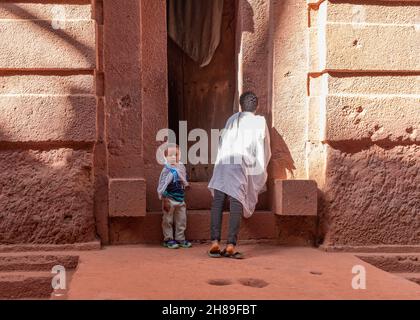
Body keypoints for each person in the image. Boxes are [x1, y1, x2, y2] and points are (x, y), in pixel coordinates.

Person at [208, 91, 271, 258]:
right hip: (240, 163)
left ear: (241, 106)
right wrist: (260, 170)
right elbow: (263, 149)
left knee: (218, 200)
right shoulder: (259, 121)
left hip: (223, 161)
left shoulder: (232, 119)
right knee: (236, 200)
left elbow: (222, 142)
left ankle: (214, 242)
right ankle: (230, 245)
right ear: (256, 107)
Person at [157, 144, 192, 249]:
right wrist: (165, 199)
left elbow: (183, 181)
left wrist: (186, 185)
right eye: (170, 155)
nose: (173, 157)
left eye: (176, 155)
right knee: (167, 220)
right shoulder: (166, 170)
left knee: (181, 219)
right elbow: (162, 185)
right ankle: (168, 239)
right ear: (165, 157)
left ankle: (180, 238)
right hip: (169, 199)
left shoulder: (181, 168)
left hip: (180, 199)